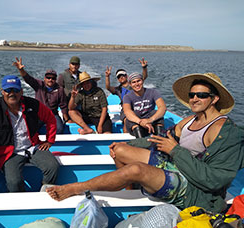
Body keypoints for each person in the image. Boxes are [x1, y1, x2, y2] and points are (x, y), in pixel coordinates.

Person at [47, 72, 244, 213]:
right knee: (121, 150)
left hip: (196, 189)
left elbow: (215, 180)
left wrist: (175, 151)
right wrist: (128, 144)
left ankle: (75, 188)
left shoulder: (224, 131)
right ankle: (129, 190)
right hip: (178, 165)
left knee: (136, 170)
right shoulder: (190, 120)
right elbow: (160, 139)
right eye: (192, 95)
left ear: (215, 98)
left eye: (201, 95)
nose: (194, 99)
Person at [13, 57, 69, 134]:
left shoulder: (60, 89)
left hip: (53, 114)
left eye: (53, 78)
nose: (50, 80)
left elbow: (63, 105)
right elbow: (28, 79)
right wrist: (21, 69)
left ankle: (51, 143)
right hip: (39, 113)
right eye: (48, 77)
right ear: (44, 78)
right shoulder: (38, 85)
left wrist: (67, 119)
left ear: (55, 79)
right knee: (31, 128)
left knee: (59, 129)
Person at [105, 58, 148, 133]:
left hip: (138, 107)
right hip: (126, 110)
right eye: (119, 76)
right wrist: (107, 77)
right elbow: (108, 87)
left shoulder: (134, 84)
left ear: (127, 76)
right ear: (118, 79)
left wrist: (144, 68)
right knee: (127, 122)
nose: (121, 77)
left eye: (123, 75)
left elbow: (143, 77)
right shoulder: (118, 89)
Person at [123, 71, 167, 138]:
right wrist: (140, 122)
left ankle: (160, 140)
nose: (137, 84)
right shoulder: (127, 97)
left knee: (155, 113)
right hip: (137, 121)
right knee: (132, 116)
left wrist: (150, 120)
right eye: (133, 82)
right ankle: (141, 143)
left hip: (150, 120)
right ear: (130, 84)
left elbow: (162, 107)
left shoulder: (153, 92)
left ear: (142, 81)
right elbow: (127, 111)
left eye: (138, 81)